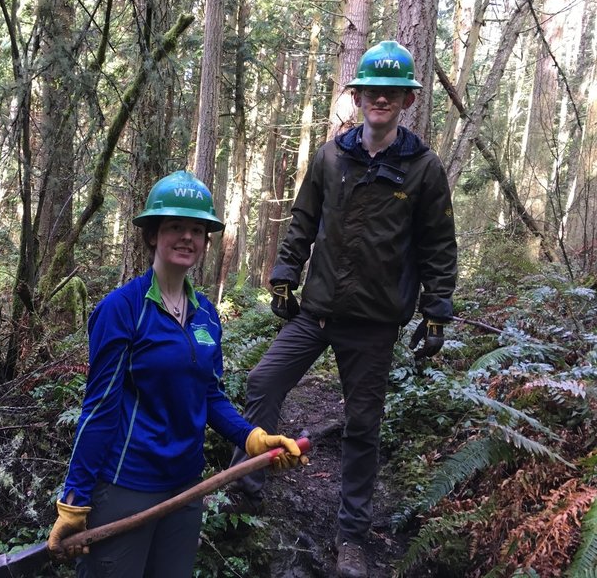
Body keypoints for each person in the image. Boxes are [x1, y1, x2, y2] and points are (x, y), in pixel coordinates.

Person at [223, 41, 458, 578]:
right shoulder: (331, 157)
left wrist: (436, 311)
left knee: (363, 426)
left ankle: (351, 537)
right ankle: (247, 488)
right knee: (262, 383)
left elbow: (438, 246)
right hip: (318, 311)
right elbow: (303, 221)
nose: (380, 98)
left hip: (375, 325)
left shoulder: (423, 168)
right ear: (357, 96)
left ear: (405, 100)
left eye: (391, 91)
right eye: (371, 89)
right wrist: (284, 275)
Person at [46, 170, 308, 578]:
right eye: (175, 226)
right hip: (126, 487)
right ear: (153, 234)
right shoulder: (122, 310)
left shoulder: (205, 314)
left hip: (187, 488)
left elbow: (211, 396)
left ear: (206, 241)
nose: (187, 237)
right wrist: (75, 500)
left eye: (197, 229)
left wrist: (253, 438)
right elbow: (98, 409)